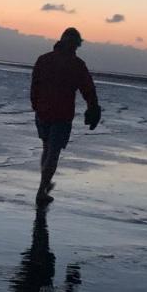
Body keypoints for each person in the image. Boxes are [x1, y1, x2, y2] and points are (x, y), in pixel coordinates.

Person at [29, 27, 102, 205]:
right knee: (53, 152)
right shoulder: (77, 65)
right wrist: (93, 108)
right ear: (75, 44)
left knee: (47, 148)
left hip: (43, 111)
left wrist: (35, 106)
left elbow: (34, 85)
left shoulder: (44, 59)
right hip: (61, 115)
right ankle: (42, 189)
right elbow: (88, 90)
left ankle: (44, 185)